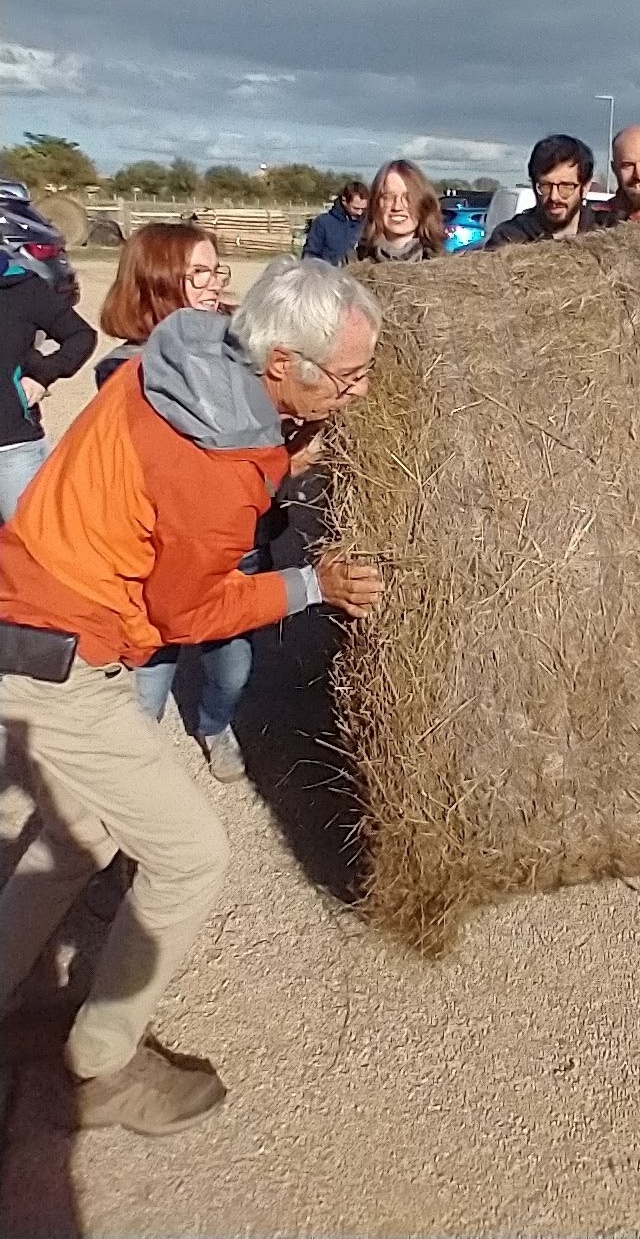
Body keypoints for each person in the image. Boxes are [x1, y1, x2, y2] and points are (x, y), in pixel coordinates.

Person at [0, 257, 384, 1135]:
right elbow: (190, 611)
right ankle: (101, 1067)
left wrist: (278, 453)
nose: (360, 391)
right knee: (191, 856)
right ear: (282, 361)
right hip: (66, 654)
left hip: (25, 606)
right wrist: (311, 586)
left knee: (77, 832)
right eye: (351, 375)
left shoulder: (181, 361)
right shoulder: (216, 469)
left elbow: (177, 479)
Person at [94, 224, 253, 782]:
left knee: (232, 668)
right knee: (145, 689)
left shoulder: (230, 342)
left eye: (217, 270)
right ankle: (130, 794)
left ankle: (214, 724)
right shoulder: (124, 369)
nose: (214, 284)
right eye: (199, 274)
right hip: (157, 559)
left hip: (226, 555)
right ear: (159, 284)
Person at [0, 261, 96, 521]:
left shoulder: (24, 288)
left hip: (11, 450)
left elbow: (81, 335)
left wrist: (42, 376)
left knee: (27, 547)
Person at [486, 135, 613, 248]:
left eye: (566, 186)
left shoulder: (608, 232)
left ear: (585, 188)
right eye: (545, 186)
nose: (554, 197)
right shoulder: (509, 239)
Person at [356, 160, 445, 262]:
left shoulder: (448, 270)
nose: (397, 207)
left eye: (408, 197)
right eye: (387, 197)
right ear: (375, 204)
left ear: (424, 204)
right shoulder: (351, 265)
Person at [301, 180, 370, 264]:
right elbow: (310, 255)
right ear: (344, 201)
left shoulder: (368, 225)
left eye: (363, 209)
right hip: (327, 275)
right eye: (355, 208)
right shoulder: (323, 223)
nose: (360, 213)